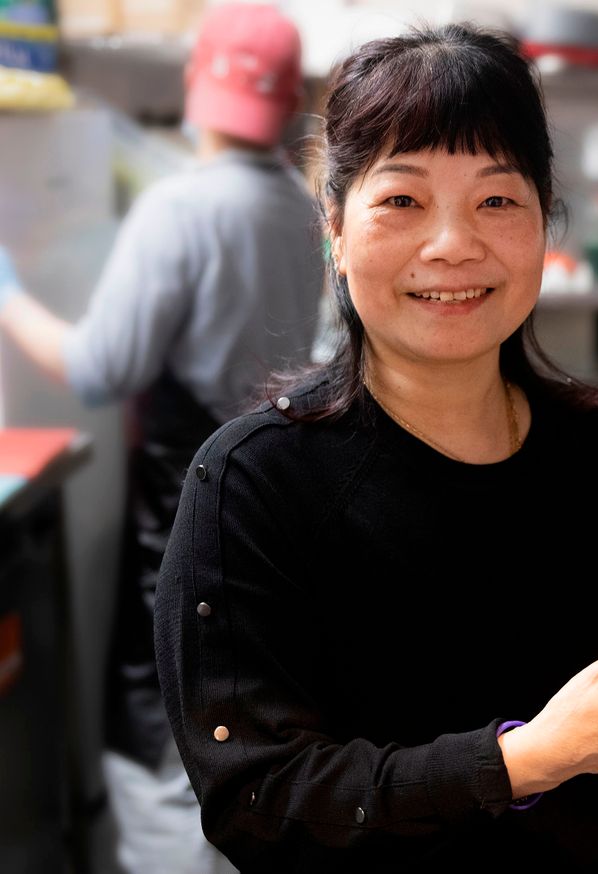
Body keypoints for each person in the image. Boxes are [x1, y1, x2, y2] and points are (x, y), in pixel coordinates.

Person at [152, 23, 598, 873]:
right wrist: (523, 761)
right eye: (402, 200)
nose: (452, 245)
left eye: (497, 200)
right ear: (334, 223)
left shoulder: (596, 449)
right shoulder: (249, 483)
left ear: (546, 220)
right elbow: (258, 802)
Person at [0, 4, 324, 872]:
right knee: (246, 737)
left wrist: (5, 289)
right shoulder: (299, 207)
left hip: (182, 528)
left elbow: (99, 366)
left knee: (165, 756)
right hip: (276, 515)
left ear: (195, 84)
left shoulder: (178, 206)